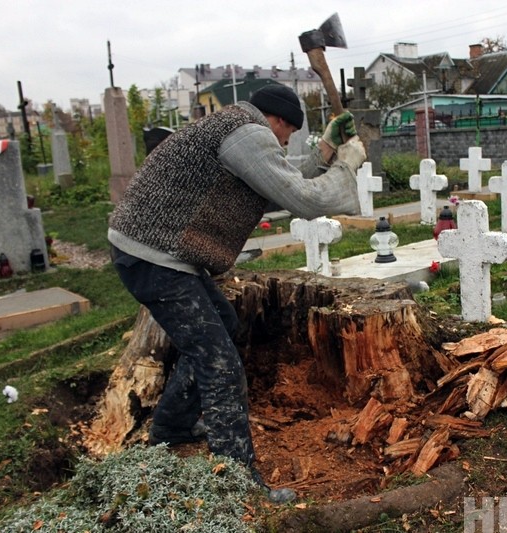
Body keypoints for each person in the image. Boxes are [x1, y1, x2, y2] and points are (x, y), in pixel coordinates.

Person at [108, 84, 366, 503]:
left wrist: (327, 149)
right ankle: (239, 485)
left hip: (155, 250)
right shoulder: (247, 133)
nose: (284, 144)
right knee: (221, 365)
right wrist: (348, 164)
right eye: (287, 137)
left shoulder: (236, 127)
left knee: (222, 327)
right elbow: (300, 197)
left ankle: (172, 427)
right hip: (155, 257)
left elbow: (281, 177)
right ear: (279, 121)